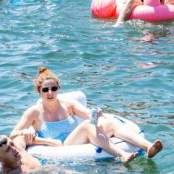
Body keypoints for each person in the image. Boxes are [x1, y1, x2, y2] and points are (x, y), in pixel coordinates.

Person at [11, 67, 163, 165]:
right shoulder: (34, 112)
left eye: (54, 88)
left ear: (58, 88)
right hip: (60, 148)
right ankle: (122, 154)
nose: (50, 93)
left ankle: (148, 146)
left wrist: (99, 114)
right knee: (88, 126)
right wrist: (25, 131)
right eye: (45, 90)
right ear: (39, 91)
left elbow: (89, 115)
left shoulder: (68, 104)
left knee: (109, 122)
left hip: (75, 141)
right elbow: (13, 135)